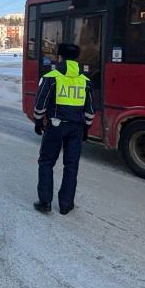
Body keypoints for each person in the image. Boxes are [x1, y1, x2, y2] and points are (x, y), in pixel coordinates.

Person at [33, 43, 95, 215]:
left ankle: (45, 202)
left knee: (46, 162)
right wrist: (86, 128)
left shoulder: (50, 77)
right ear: (76, 58)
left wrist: (38, 122)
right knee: (71, 165)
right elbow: (90, 110)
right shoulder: (85, 81)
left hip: (55, 125)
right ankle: (66, 205)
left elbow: (40, 103)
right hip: (76, 128)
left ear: (60, 57)